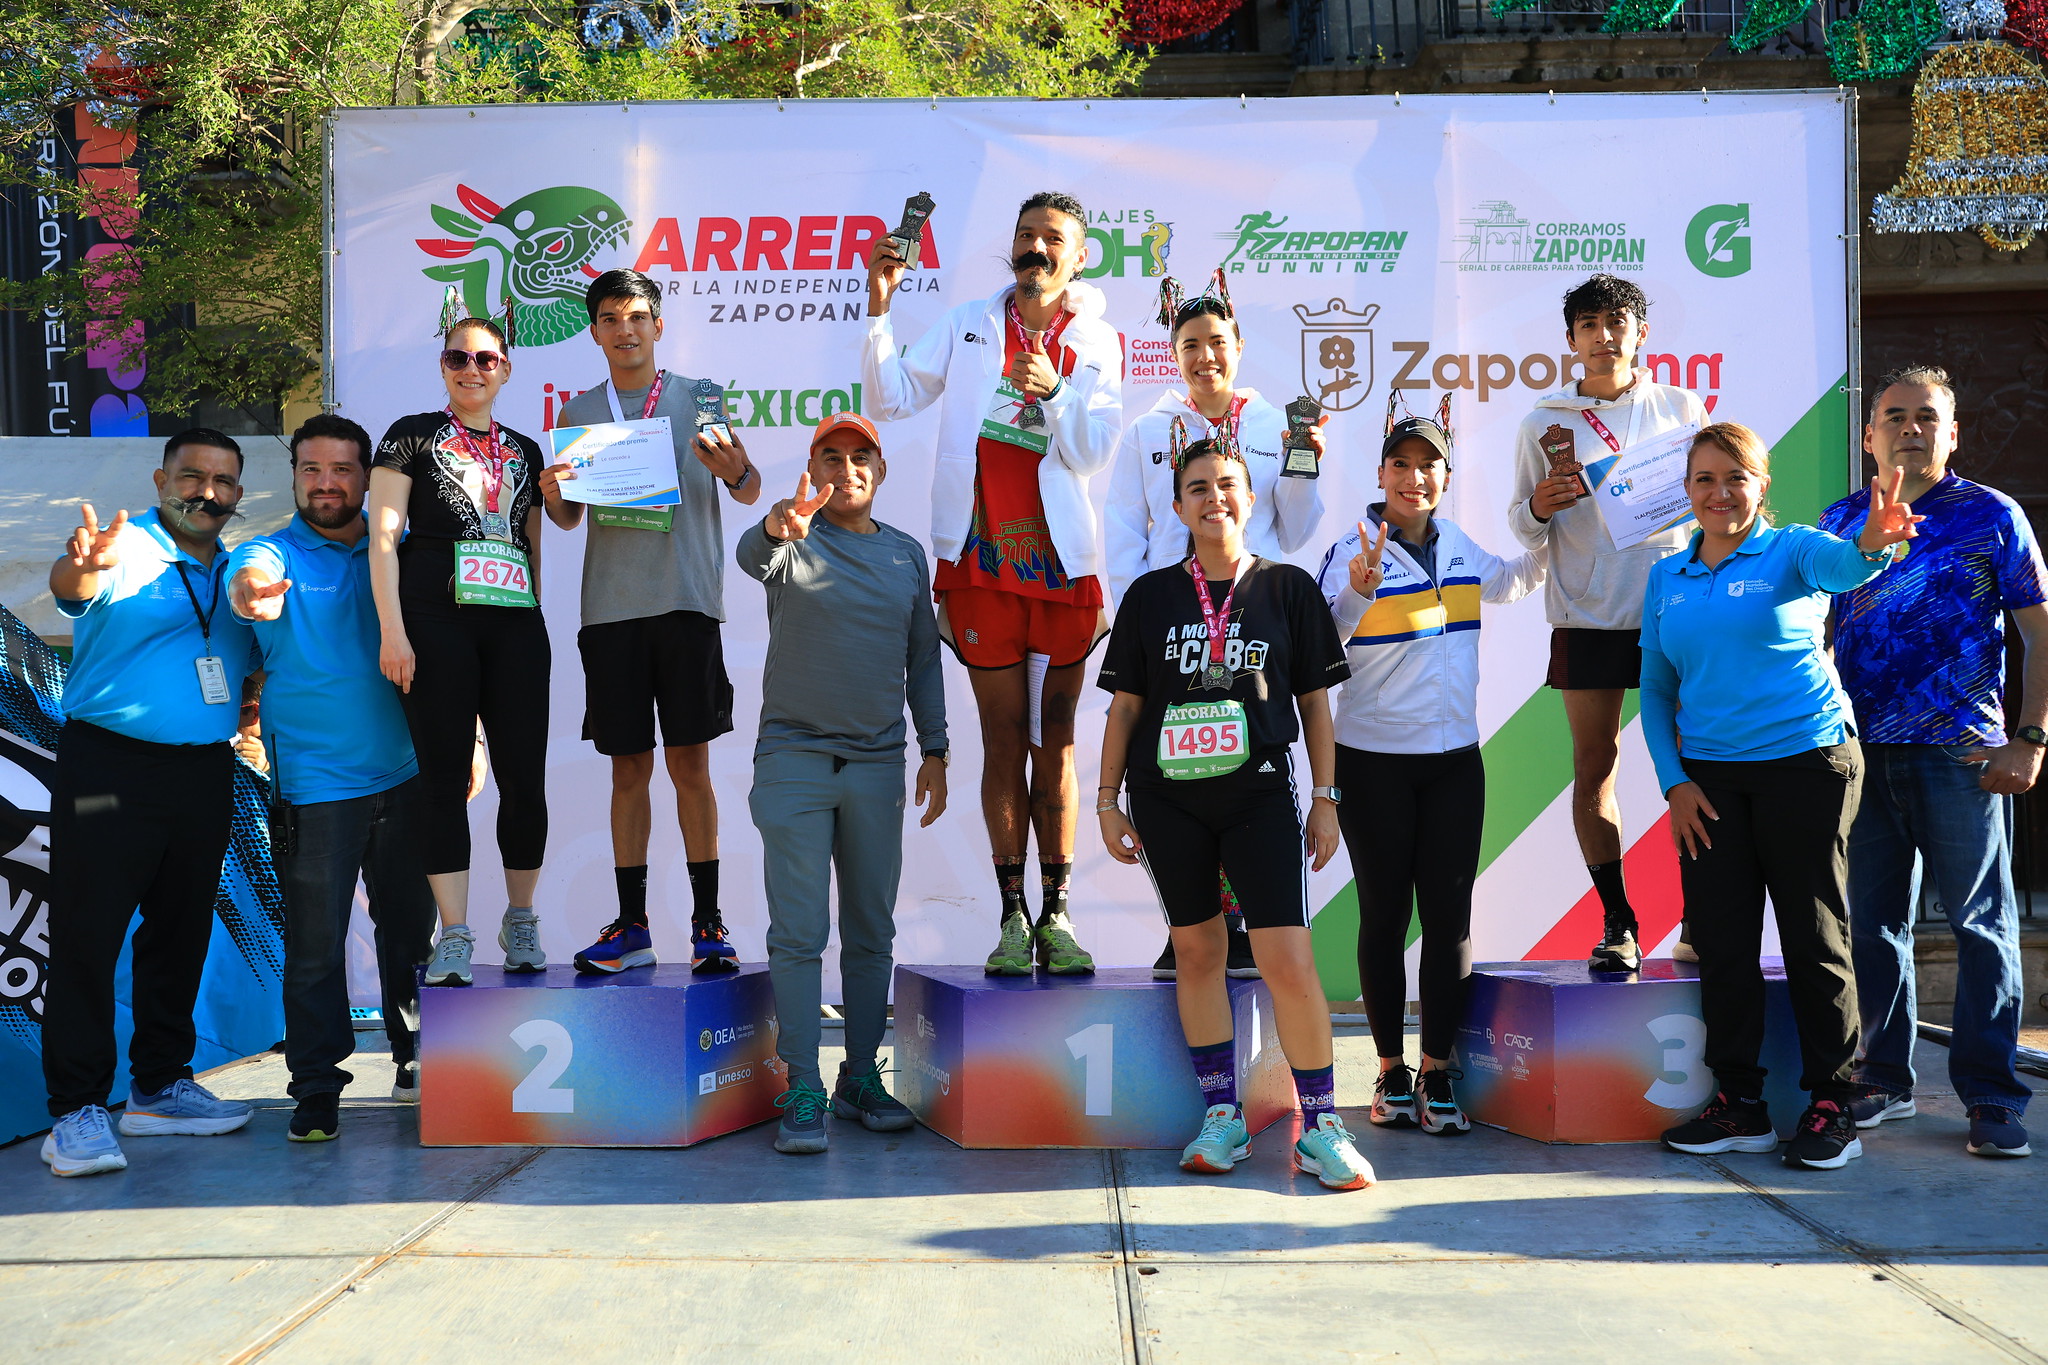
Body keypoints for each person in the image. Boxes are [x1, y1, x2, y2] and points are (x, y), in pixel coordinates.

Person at [1096, 437, 1373, 1191]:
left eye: (1227, 484)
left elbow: (1315, 705)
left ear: (1251, 499)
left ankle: (1321, 1126)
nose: (1214, 497)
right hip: (1166, 800)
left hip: (1258, 794)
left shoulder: (1288, 588)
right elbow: (1125, 708)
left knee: (1288, 958)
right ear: (1177, 506)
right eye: (1198, 487)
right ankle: (1223, 1116)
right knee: (1197, 952)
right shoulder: (1149, 596)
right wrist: (1107, 801)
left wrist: (1326, 798)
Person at [1647, 424, 1921, 1170]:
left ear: (1762, 485)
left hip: (1808, 764)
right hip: (1709, 781)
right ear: (1687, 490)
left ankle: (1834, 1103)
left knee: (1813, 934)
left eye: (1735, 477)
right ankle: (1740, 1103)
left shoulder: (1793, 549)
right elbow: (1656, 688)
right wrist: (1674, 783)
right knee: (1723, 943)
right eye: (1704, 479)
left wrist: (1875, 542)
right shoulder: (1668, 577)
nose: (1720, 492)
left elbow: (1847, 563)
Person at [863, 190, 1122, 977]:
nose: (1036, 248)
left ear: (1079, 257)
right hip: (979, 565)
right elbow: (889, 398)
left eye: (1053, 238)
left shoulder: (1096, 341)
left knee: (1057, 741)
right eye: (1026, 235)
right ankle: (1012, 917)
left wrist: (1057, 390)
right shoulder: (969, 322)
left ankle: (1059, 914)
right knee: (1003, 738)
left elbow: (1093, 450)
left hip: (1061, 567)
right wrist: (880, 310)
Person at [1819, 365, 2047, 1160]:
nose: (1909, 428)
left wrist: (2031, 737)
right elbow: (1812, 633)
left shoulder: (1992, 514)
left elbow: (2039, 630)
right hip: (1859, 751)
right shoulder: (1840, 520)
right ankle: (1884, 1077)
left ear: (1953, 434)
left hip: (1964, 753)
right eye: (1894, 416)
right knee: (1871, 923)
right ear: (1869, 434)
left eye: (1926, 417)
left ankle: (1991, 1093)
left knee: (1982, 923)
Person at [1316, 401, 1544, 1138]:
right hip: (1373, 762)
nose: (1415, 478)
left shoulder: (1461, 545)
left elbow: (1513, 581)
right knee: (1384, 917)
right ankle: (1389, 1069)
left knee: (1449, 921)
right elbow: (1320, 646)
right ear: (1381, 474)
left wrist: (1552, 524)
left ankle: (1438, 1070)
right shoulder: (1351, 549)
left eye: (1429, 465)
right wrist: (1358, 589)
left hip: (1454, 763)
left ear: (1446, 476)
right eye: (1402, 465)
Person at [39, 429, 262, 1177]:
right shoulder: (124, 547)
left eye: (222, 481)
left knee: (180, 933)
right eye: (191, 476)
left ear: (238, 494)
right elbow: (76, 584)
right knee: (88, 936)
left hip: (203, 771)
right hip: (109, 767)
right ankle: (75, 1110)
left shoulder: (237, 569)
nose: (206, 492)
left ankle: (160, 1088)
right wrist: (79, 568)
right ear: (161, 480)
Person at [1107, 273, 1328, 982]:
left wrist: (1303, 464)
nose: (1205, 357)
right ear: (1174, 354)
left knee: (1243, 770)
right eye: (1190, 345)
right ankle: (1190, 925)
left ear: (1239, 345)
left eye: (1217, 342)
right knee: (1175, 772)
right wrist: (1135, 625)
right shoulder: (1146, 430)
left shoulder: (1273, 425)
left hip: (1251, 623)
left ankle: (1243, 927)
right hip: (1171, 632)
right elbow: (1123, 530)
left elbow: (1297, 526)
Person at [738, 412, 949, 1155]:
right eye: (832, 456)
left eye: (862, 457)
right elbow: (753, 553)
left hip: (878, 765)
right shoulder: (793, 534)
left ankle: (860, 1077)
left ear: (881, 472)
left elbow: (923, 658)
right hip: (793, 759)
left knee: (870, 930)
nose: (847, 469)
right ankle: (803, 1083)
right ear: (813, 467)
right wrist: (778, 523)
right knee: (799, 935)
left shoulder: (906, 554)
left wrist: (936, 748)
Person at [540, 270, 761, 976]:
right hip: (610, 611)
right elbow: (568, 517)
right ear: (595, 331)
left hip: (688, 602)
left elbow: (749, 489)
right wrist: (553, 491)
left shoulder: (701, 397)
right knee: (627, 768)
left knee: (690, 766)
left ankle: (709, 924)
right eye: (610, 318)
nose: (625, 329)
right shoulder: (580, 409)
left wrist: (738, 470)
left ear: (658, 325)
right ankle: (632, 926)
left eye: (637, 315)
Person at [228, 414, 437, 1142]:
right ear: (293, 475)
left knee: (411, 934)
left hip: (406, 775)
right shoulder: (269, 552)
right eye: (311, 468)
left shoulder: (399, 549)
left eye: (342, 469)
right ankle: (316, 1087)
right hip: (314, 787)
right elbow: (247, 583)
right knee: (316, 947)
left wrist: (469, 739)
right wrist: (254, 595)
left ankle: (415, 1058)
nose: (326, 483)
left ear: (366, 478)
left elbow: (450, 651)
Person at [1507, 275, 1709, 971]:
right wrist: (1540, 505)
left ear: (1640, 332)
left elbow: (1712, 498)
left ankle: (1699, 915)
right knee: (1595, 766)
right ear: (1571, 339)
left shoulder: (1681, 407)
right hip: (1587, 614)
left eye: (1616, 322)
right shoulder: (1543, 422)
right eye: (1589, 324)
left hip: (1674, 611)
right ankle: (1617, 920)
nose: (1603, 336)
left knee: (1694, 760)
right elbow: (1523, 527)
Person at [369, 315, 551, 986]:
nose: (472, 369)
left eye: (485, 358)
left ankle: (521, 918)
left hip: (514, 624)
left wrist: (533, 621)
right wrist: (393, 630)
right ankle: (455, 933)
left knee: (524, 778)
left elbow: (534, 546)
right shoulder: (410, 434)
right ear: (443, 366)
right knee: (444, 780)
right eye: (458, 358)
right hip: (433, 619)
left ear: (506, 369)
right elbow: (383, 539)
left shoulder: (526, 449)